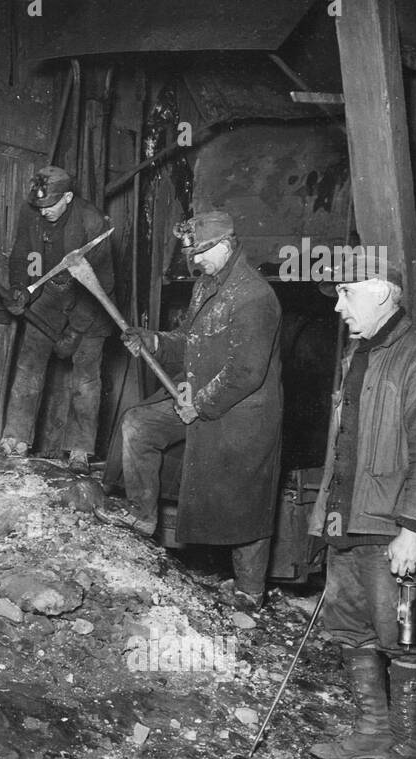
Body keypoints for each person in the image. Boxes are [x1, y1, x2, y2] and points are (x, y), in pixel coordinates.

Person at [307, 258, 416, 759]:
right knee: (351, 631)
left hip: (393, 528)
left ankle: (407, 756)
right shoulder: (359, 353)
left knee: (405, 637)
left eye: (346, 294)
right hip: (348, 521)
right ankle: (374, 731)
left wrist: (412, 530)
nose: (337, 305)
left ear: (383, 295)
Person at [108, 210, 283, 606]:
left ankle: (249, 591)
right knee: (139, 424)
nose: (195, 261)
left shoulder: (254, 296)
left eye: (201, 252)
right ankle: (141, 515)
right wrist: (153, 341)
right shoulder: (206, 287)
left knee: (246, 500)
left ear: (225, 245)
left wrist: (199, 406)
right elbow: (188, 340)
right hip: (198, 400)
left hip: (242, 414)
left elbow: (245, 372)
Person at [0, 166, 116, 472]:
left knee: (86, 380)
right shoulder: (33, 212)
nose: (43, 212)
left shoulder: (93, 223)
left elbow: (103, 285)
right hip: (49, 296)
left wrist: (75, 331)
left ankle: (79, 450)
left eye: (49, 206)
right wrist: (18, 289)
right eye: (38, 206)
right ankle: (16, 439)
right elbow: (21, 253)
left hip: (91, 304)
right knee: (28, 368)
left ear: (67, 197)